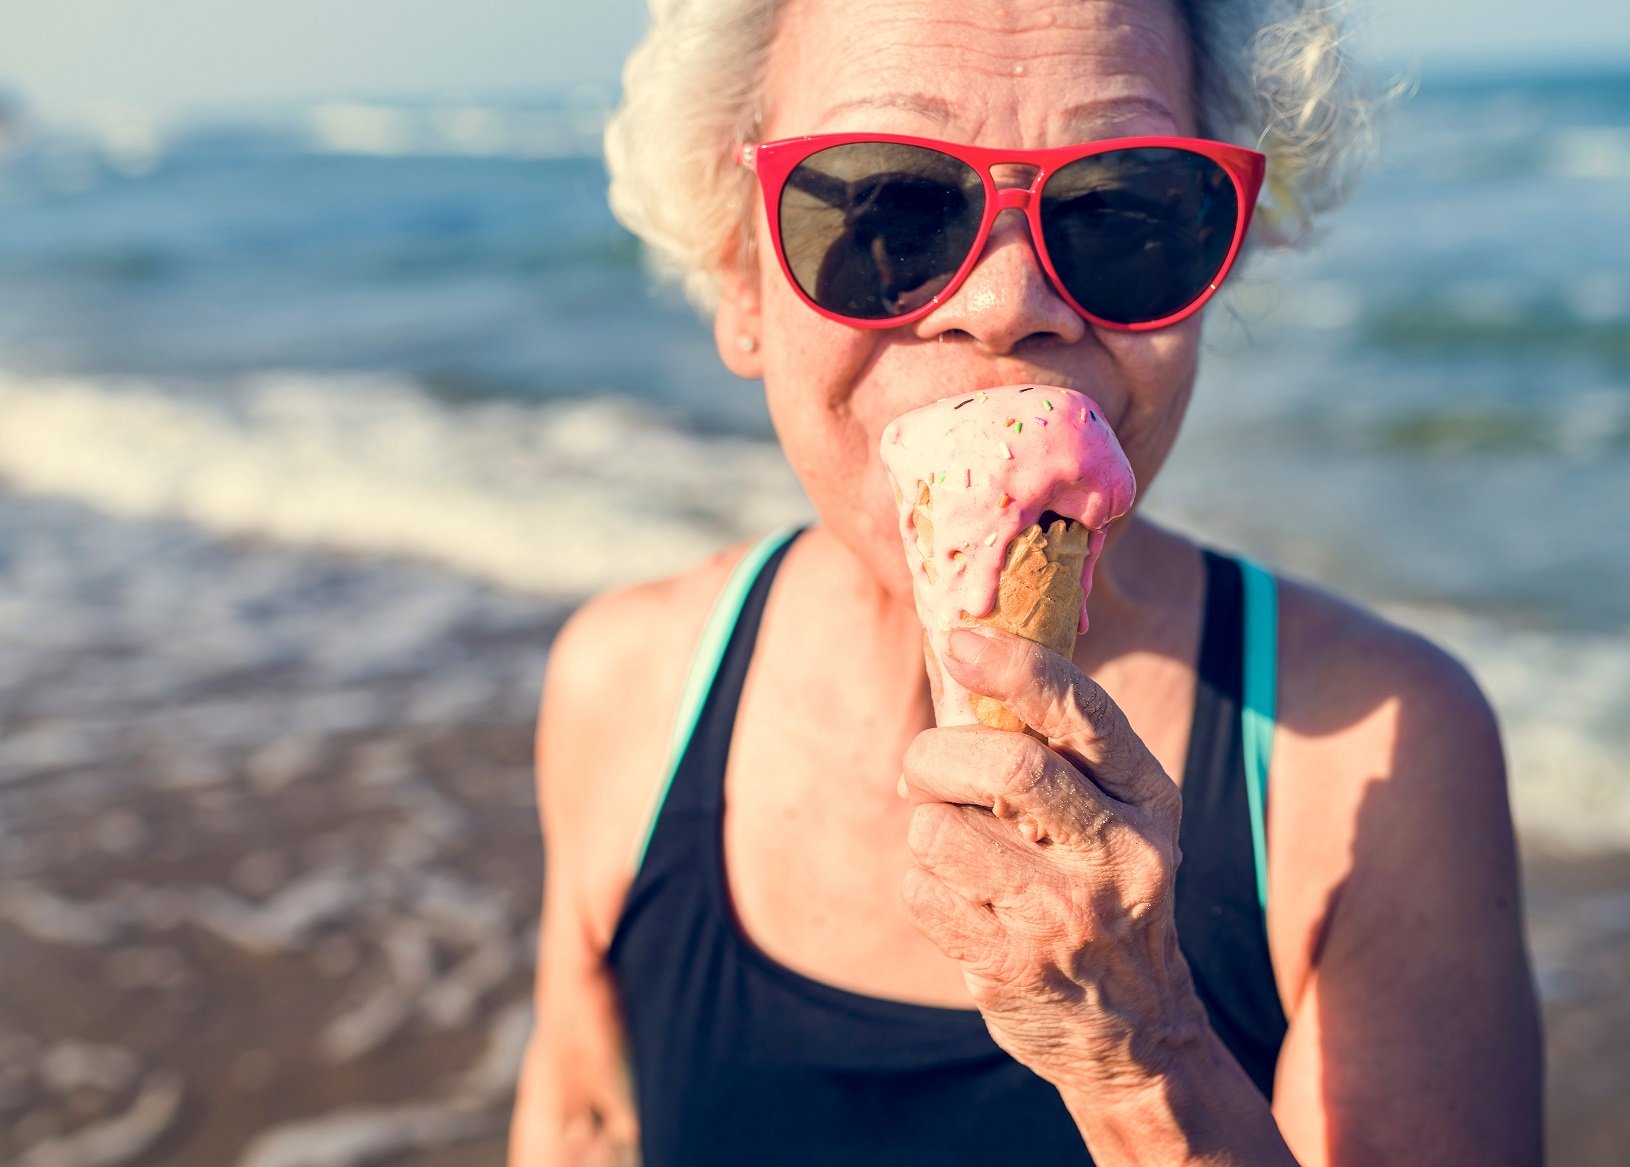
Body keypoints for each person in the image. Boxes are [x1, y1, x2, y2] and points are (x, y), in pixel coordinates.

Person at [510, 0, 1544, 1162]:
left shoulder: (1379, 753)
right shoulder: (628, 687)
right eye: (887, 207)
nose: (1008, 304)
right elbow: (583, 1119)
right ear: (740, 272)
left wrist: (1143, 1058)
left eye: (1123, 209)